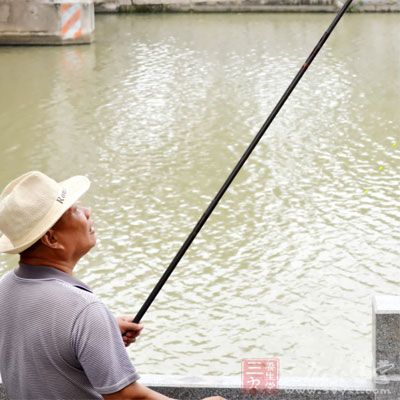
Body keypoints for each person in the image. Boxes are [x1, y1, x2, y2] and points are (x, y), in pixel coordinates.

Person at [0, 171, 224, 400]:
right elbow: (126, 397)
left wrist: (99, 334)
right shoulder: (83, 309)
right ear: (51, 239)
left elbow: (43, 345)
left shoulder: (4, 288)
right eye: (75, 210)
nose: (88, 212)